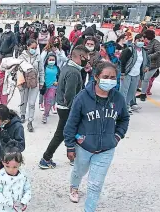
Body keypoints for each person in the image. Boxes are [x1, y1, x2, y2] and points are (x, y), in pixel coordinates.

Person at [64, 61, 130, 211]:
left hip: (107, 148)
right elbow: (71, 123)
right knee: (78, 171)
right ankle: (74, 187)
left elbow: (124, 119)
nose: (110, 80)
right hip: (84, 147)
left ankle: (90, 209)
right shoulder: (82, 98)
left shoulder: (118, 98)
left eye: (113, 77)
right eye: (106, 76)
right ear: (96, 77)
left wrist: (117, 136)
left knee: (95, 184)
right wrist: (70, 146)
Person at [39, 45, 90, 169]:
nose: (87, 60)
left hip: (64, 107)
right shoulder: (73, 72)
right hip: (68, 109)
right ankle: (47, 158)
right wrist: (76, 112)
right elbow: (70, 95)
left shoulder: (68, 67)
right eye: (86, 58)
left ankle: (62, 157)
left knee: (65, 133)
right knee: (63, 134)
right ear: (80, 57)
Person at [0, 144, 31, 212]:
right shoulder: (0, 176)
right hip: (2, 209)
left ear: (20, 163)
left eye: (15, 167)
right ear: (3, 162)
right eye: (7, 166)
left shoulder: (23, 175)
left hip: (17, 208)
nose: (11, 170)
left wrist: (24, 201)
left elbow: (27, 189)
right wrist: (9, 203)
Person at [18, 39, 44, 132]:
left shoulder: (38, 57)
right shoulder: (21, 56)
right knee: (23, 100)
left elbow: (41, 70)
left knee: (32, 103)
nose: (34, 49)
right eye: (32, 47)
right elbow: (18, 70)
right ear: (27, 47)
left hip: (34, 82)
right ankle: (22, 114)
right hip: (24, 82)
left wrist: (41, 82)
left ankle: (30, 121)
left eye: (35, 48)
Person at [120, 34, 150, 113]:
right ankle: (122, 109)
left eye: (142, 41)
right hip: (127, 74)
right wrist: (122, 73)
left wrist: (147, 66)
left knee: (132, 92)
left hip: (136, 75)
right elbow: (122, 61)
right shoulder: (129, 50)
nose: (140, 42)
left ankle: (126, 107)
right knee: (124, 92)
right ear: (135, 40)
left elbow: (148, 60)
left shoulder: (144, 51)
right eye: (139, 40)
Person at [140, 30, 160, 101]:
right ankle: (143, 93)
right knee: (144, 79)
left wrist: (148, 56)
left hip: (153, 65)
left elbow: (158, 52)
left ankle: (143, 94)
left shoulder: (156, 43)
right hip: (148, 64)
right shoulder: (149, 43)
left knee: (146, 79)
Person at [41, 52, 60, 124]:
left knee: (49, 100)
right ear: (47, 60)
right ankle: (47, 111)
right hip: (45, 86)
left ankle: (45, 115)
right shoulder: (44, 68)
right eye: (50, 59)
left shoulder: (57, 68)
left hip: (53, 86)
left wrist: (57, 82)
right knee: (45, 100)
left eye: (53, 60)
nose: (52, 61)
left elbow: (59, 77)